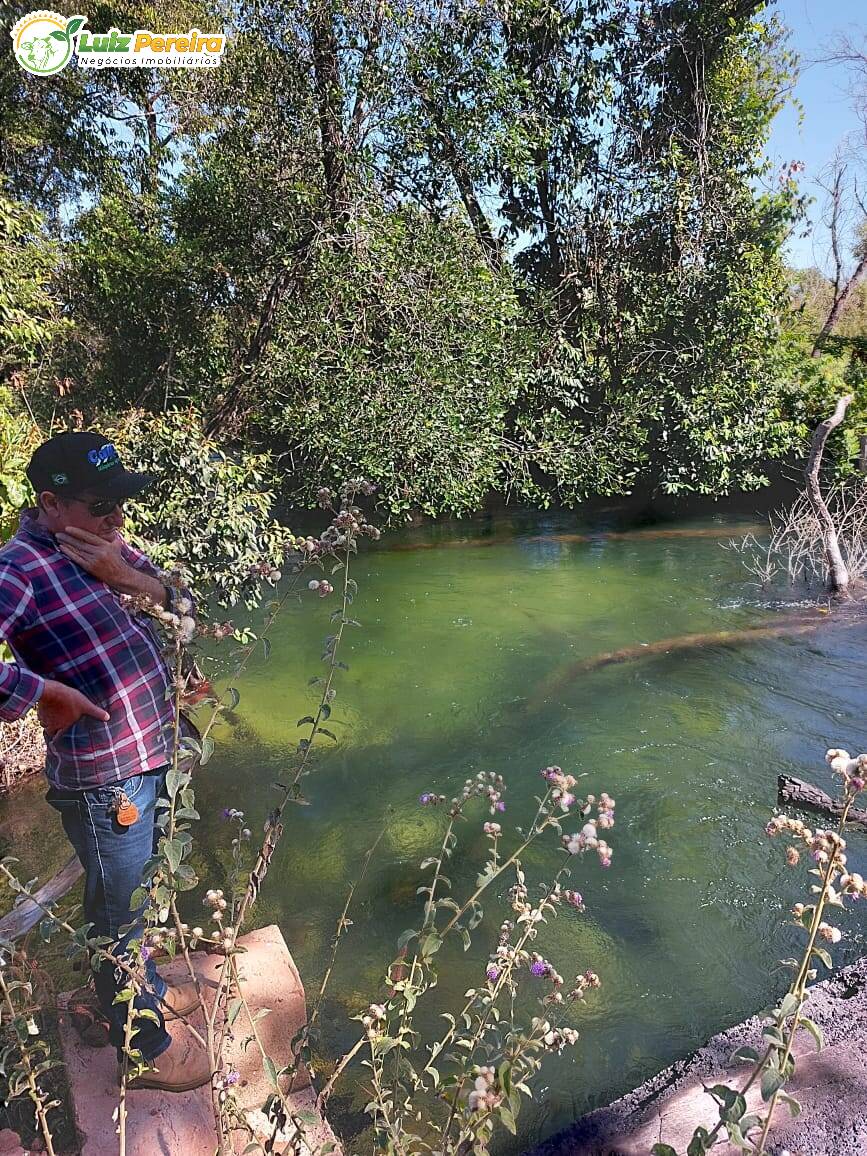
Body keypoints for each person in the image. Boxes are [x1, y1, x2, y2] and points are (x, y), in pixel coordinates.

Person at [0, 431, 210, 1092]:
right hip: (104, 776)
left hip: (153, 750)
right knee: (116, 914)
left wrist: (128, 577)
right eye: (100, 504)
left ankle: (139, 989)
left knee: (137, 895)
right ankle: (142, 1047)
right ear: (51, 503)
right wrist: (41, 692)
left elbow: (182, 599)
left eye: (120, 501)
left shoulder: (103, 545)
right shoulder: (18, 569)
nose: (117, 517)